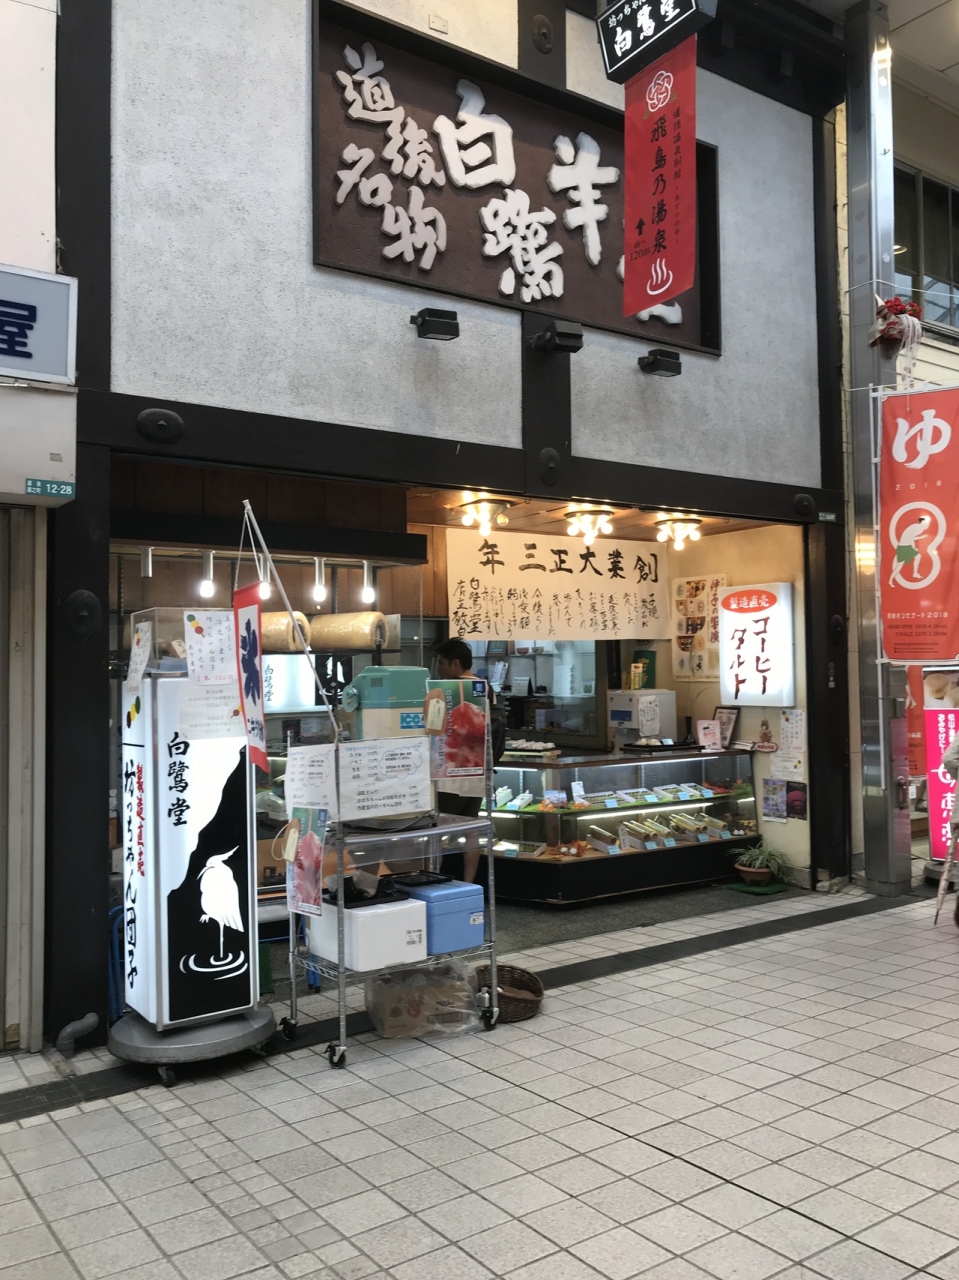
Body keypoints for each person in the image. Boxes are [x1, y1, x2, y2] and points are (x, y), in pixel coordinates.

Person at [433, 638, 505, 882]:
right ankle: (469, 884)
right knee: (472, 831)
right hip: (478, 774)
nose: (439, 668)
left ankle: (435, 882)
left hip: (450, 776)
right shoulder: (486, 689)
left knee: (437, 832)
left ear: (455, 664)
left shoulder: (447, 690)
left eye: (441, 663)